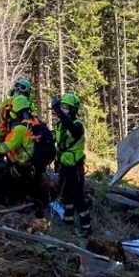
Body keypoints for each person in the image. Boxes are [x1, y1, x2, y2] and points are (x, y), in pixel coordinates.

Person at [0, 94, 54, 217]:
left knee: (2, 183)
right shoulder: (35, 124)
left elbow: (3, 148)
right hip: (33, 166)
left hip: (22, 166)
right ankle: (35, 209)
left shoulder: (20, 129)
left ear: (15, 112)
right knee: (28, 188)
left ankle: (8, 209)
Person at [52, 92, 91, 234]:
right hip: (63, 165)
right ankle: (68, 221)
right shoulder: (59, 125)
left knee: (78, 197)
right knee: (66, 195)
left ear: (74, 109)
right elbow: (59, 144)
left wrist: (59, 112)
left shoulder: (77, 125)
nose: (63, 109)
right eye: (62, 106)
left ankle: (86, 227)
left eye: (66, 107)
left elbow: (73, 131)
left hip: (75, 168)